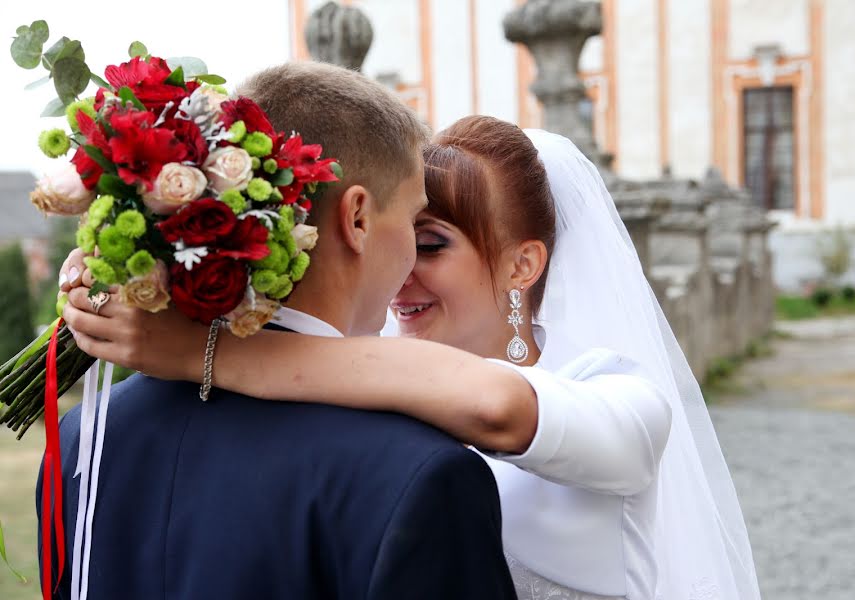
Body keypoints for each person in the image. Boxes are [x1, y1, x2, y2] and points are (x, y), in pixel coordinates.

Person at [63, 117, 762, 599]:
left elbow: (494, 404)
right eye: (400, 238)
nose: (399, 274)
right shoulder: (361, 379)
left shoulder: (622, 398)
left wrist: (202, 352)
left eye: (431, 247)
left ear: (523, 264)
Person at [41, 64, 518, 600]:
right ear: (357, 218)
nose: (412, 261)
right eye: (413, 220)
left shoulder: (86, 437)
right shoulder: (422, 474)